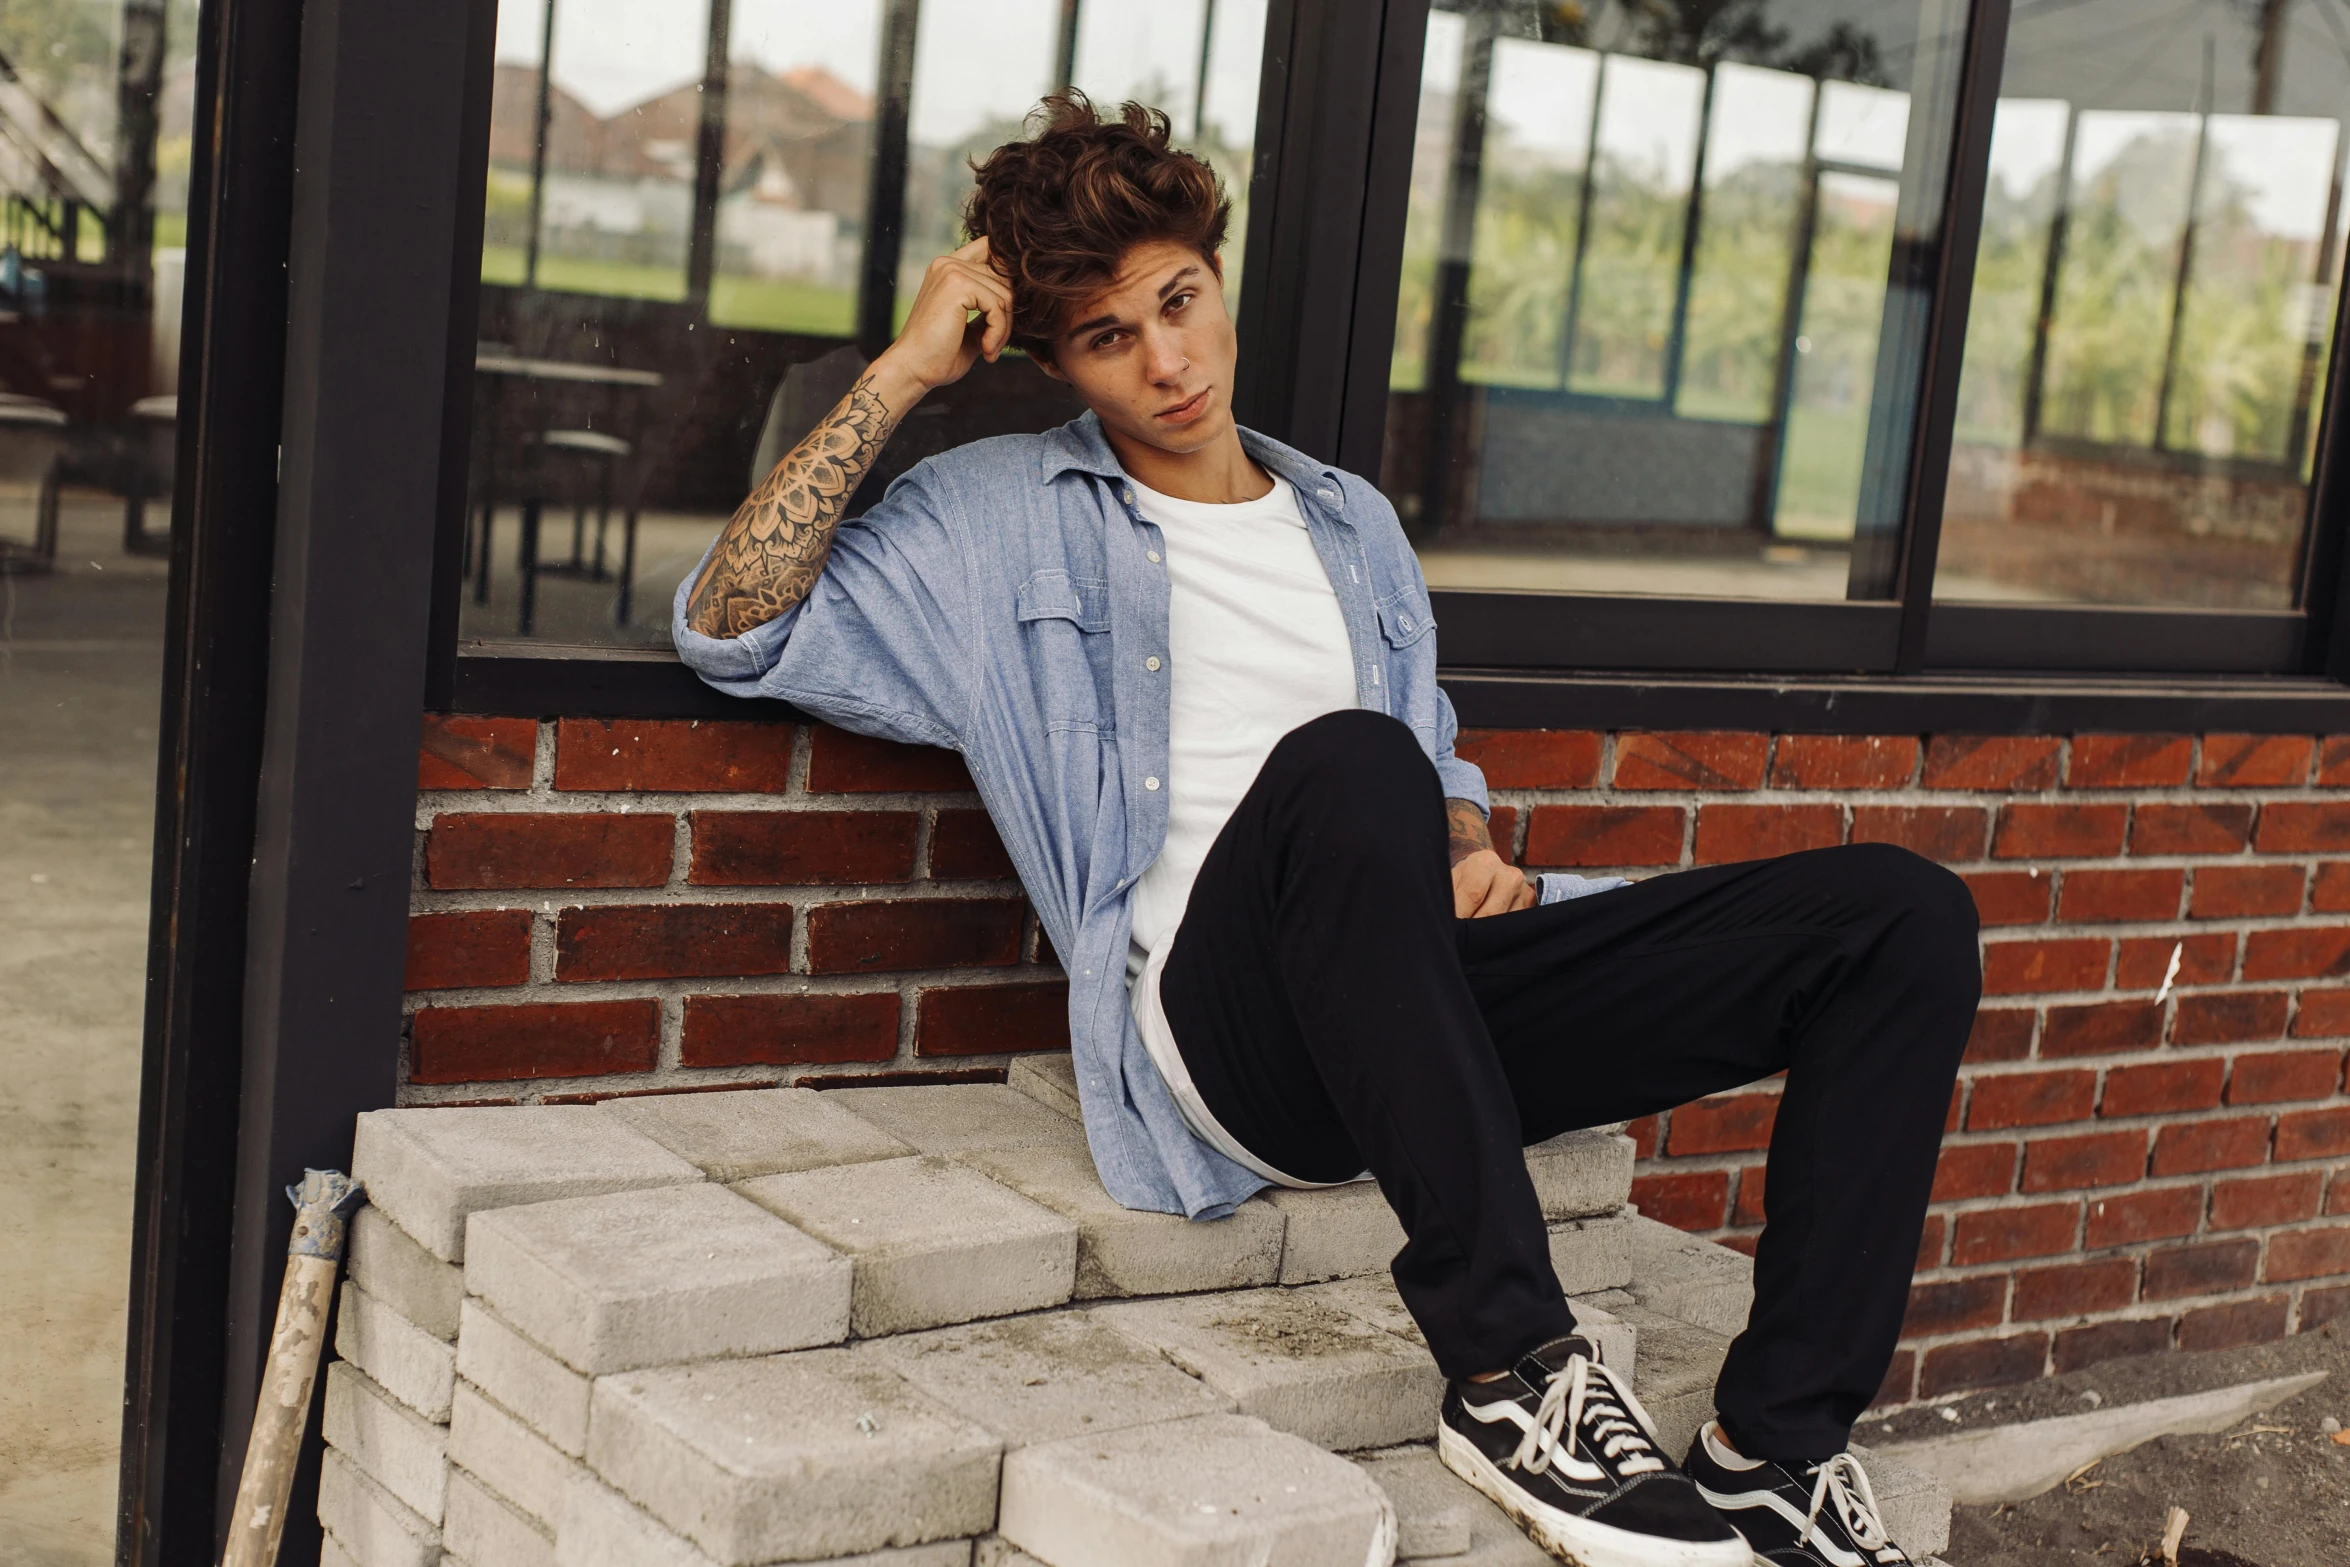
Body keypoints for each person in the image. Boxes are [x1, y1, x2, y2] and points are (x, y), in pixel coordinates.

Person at [675, 91, 1977, 1567]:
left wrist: (1469, 840)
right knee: (1349, 767)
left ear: (1216, 274)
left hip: (1408, 994)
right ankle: (1513, 1374)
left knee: (1899, 915)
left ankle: (1776, 1450)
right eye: (1110, 337)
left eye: (1179, 301)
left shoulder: (1348, 518)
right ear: (1053, 360)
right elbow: (733, 628)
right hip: (1237, 1045)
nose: (1166, 361)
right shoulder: (994, 516)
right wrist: (907, 370)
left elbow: (1425, 749)